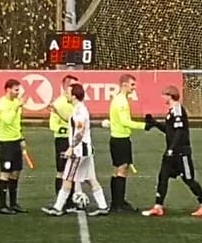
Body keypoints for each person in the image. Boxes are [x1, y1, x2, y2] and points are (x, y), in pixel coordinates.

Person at [143, 85, 202, 217]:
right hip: (172, 152)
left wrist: (171, 149)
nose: (162, 97)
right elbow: (169, 131)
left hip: (181, 152)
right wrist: (155, 123)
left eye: (164, 95)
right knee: (163, 177)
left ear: (170, 96)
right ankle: (158, 206)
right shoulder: (171, 111)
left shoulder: (178, 110)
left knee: (189, 179)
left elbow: (179, 132)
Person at [43, 82, 101, 215]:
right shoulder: (79, 109)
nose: (66, 95)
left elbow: (79, 131)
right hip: (86, 149)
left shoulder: (79, 111)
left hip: (79, 150)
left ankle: (58, 207)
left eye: (68, 93)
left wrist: (71, 147)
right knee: (91, 178)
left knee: (67, 178)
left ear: (74, 96)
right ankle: (102, 205)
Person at [106, 75, 146, 214]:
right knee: (122, 170)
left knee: (118, 170)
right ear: (124, 84)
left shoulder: (118, 98)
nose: (134, 87)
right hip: (121, 140)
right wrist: (144, 125)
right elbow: (125, 122)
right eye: (132, 84)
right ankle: (119, 203)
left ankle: (117, 202)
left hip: (117, 138)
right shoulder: (122, 102)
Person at [0, 77, 29, 215]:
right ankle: (3, 205)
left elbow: (16, 123)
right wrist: (17, 106)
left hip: (15, 141)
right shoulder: (0, 105)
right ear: (8, 89)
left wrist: (21, 138)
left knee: (16, 172)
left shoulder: (15, 103)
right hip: (4, 143)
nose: (18, 93)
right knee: (5, 172)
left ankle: (13, 203)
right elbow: (8, 120)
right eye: (16, 90)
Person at [49, 77, 79, 196]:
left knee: (73, 170)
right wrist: (68, 129)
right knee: (62, 170)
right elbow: (53, 124)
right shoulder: (59, 103)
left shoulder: (76, 103)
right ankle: (61, 199)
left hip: (75, 140)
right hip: (63, 139)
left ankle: (71, 198)